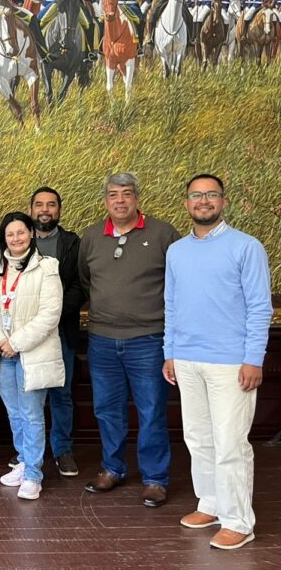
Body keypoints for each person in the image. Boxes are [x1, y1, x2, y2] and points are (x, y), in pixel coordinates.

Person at [163, 174, 272, 551]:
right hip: (187, 359)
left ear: (223, 201)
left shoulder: (246, 247)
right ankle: (209, 504)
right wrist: (170, 352)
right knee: (198, 438)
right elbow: (171, 304)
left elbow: (260, 307)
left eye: (211, 195)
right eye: (196, 195)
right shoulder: (176, 251)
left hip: (231, 363)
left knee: (230, 443)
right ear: (187, 202)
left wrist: (253, 359)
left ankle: (239, 521)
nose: (204, 201)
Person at [79, 173, 179, 507]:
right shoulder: (92, 236)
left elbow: (178, 283)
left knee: (151, 410)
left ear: (137, 197)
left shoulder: (163, 234)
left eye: (126, 194)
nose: (119, 200)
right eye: (113, 194)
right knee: (107, 409)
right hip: (102, 339)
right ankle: (112, 469)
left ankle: (155, 479)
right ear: (105, 200)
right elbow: (85, 279)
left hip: (148, 339)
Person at [0, 212, 63, 501]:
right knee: (15, 413)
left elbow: (49, 315)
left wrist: (16, 343)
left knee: (32, 414)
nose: (16, 239)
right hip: (1, 353)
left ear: (31, 234)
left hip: (31, 354)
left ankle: (34, 475)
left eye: (21, 233)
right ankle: (23, 462)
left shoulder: (46, 267)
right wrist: (0, 342)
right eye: (10, 234)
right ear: (4, 237)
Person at [28, 187, 83, 477]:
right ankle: (27, 450)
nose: (45, 210)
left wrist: (53, 315)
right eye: (39, 205)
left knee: (62, 393)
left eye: (51, 205)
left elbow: (79, 285)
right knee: (30, 394)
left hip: (61, 329)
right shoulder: (19, 239)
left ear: (59, 210)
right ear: (31, 210)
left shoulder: (72, 243)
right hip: (27, 333)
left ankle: (62, 450)